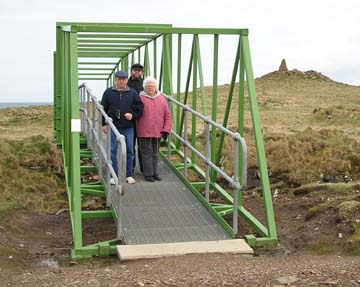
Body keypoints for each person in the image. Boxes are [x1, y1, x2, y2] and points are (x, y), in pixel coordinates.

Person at [101, 70, 143, 184]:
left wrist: (132, 115)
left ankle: (128, 175)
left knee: (130, 150)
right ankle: (113, 175)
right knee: (112, 150)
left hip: (128, 126)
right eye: (119, 79)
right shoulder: (108, 92)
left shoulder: (133, 93)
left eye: (124, 79)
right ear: (115, 79)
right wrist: (103, 123)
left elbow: (140, 107)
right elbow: (103, 108)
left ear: (126, 80)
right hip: (113, 126)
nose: (121, 81)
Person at [136, 76, 172, 182]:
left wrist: (166, 129)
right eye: (148, 86)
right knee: (146, 152)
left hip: (158, 130)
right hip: (143, 130)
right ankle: (148, 173)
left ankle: (155, 172)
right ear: (144, 87)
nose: (150, 88)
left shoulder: (161, 99)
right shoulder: (140, 98)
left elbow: (167, 115)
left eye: (152, 86)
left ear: (156, 87)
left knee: (155, 152)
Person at [127, 63, 144, 174]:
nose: (136, 72)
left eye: (139, 70)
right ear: (131, 71)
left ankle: (144, 169)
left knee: (142, 146)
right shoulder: (126, 83)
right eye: (134, 70)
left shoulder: (146, 84)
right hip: (129, 119)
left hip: (143, 118)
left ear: (142, 72)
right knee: (130, 145)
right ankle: (130, 169)